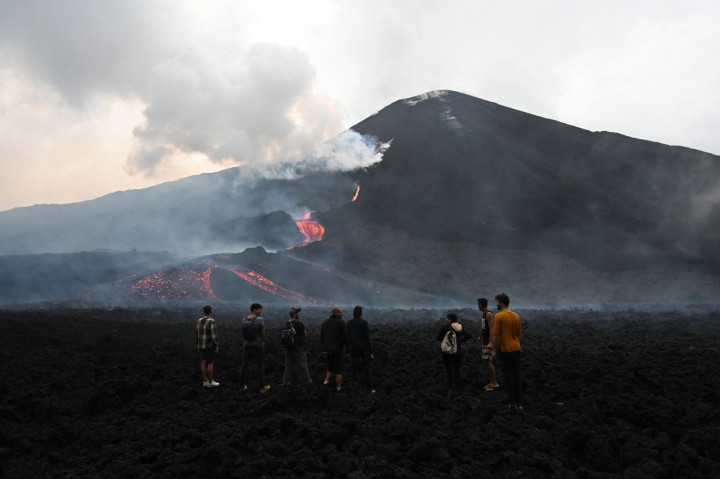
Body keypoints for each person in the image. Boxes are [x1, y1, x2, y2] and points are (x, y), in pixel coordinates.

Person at [492, 293, 523, 411]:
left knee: (508, 377)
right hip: (516, 348)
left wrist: (494, 350)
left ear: (502, 303)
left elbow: (497, 335)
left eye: (497, 302)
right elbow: (518, 334)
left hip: (505, 350)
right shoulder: (516, 316)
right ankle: (520, 404)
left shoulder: (499, 316)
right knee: (516, 375)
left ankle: (512, 403)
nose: (496, 304)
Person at [436, 312, 472, 396]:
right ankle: (459, 389)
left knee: (449, 371)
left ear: (450, 319)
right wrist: (459, 342)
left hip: (447, 353)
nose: (446, 319)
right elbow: (469, 335)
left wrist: (446, 343)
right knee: (457, 371)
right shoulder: (459, 327)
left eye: (447, 318)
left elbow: (438, 338)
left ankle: (450, 389)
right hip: (457, 352)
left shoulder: (444, 327)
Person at [239, 303, 271, 394]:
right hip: (257, 345)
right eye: (260, 310)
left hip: (247, 345)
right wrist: (263, 341)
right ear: (254, 310)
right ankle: (262, 387)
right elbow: (263, 333)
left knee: (244, 365)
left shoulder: (244, 319)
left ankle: (241, 386)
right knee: (260, 366)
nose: (261, 312)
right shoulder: (259, 320)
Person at [281, 307, 313, 386]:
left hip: (288, 347)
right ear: (295, 314)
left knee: (288, 366)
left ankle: (285, 382)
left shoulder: (286, 323)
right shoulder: (299, 323)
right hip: (298, 347)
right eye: (298, 313)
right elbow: (305, 335)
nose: (299, 314)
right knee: (303, 364)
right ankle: (308, 381)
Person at [347, 305, 375, 393]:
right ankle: (370, 388)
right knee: (367, 368)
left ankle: (354, 388)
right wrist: (371, 351)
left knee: (354, 368)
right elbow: (367, 338)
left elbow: (347, 337)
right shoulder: (364, 323)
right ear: (361, 313)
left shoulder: (349, 323)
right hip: (364, 348)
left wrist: (348, 349)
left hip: (354, 349)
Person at [320, 307, 348, 391]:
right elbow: (345, 337)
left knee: (330, 366)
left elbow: (322, 336)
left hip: (327, 349)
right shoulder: (341, 323)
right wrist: (348, 350)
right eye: (341, 312)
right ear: (336, 313)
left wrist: (324, 347)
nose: (342, 314)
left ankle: (326, 382)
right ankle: (338, 388)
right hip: (337, 350)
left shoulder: (325, 323)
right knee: (338, 370)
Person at [476, 298, 500, 391]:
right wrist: (481, 336)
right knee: (487, 362)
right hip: (485, 340)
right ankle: (491, 382)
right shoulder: (484, 314)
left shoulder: (489, 314)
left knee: (488, 362)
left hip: (488, 342)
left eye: (478, 304)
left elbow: (491, 329)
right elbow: (484, 327)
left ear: (481, 305)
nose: (478, 306)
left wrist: (490, 343)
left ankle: (494, 383)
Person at [196, 305, 220, 388]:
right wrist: (216, 344)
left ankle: (204, 381)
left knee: (203, 362)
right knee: (210, 363)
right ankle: (210, 381)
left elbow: (197, 333)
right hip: (209, 345)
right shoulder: (211, 321)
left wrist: (198, 343)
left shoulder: (199, 320)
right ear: (210, 311)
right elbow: (214, 335)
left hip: (201, 345)